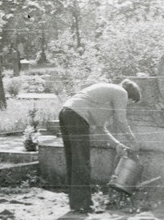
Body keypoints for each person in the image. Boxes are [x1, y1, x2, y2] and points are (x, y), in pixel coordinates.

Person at [58, 80, 141, 213]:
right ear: (130, 97)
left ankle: (77, 204)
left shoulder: (106, 95)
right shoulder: (121, 92)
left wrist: (117, 144)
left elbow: (100, 128)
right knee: (82, 162)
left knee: (74, 162)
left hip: (66, 112)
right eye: (130, 103)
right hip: (77, 116)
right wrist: (133, 140)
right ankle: (84, 205)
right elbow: (121, 120)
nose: (127, 106)